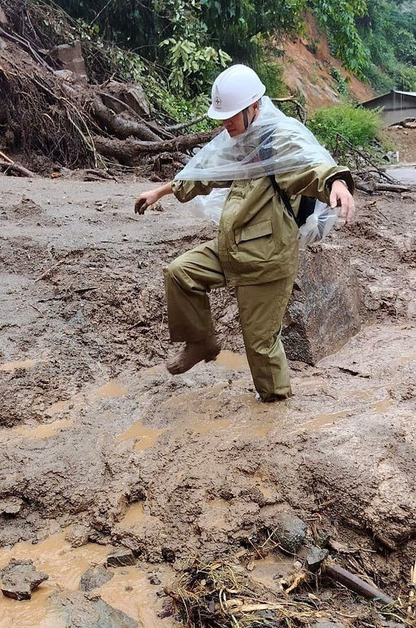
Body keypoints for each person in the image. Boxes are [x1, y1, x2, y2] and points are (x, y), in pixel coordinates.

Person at [134, 64, 355, 402]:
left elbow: (310, 166)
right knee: (180, 274)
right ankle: (202, 342)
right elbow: (204, 173)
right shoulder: (239, 140)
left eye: (232, 115)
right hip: (234, 246)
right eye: (222, 117)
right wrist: (160, 192)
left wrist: (336, 182)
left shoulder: (279, 138)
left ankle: (276, 408)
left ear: (254, 106)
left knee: (260, 346)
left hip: (268, 260)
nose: (226, 123)